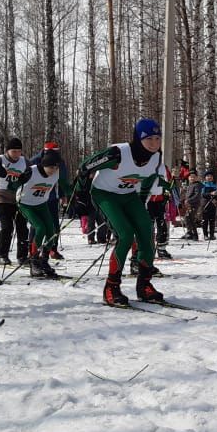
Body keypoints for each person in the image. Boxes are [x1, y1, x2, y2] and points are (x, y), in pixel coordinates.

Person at [78, 117, 169, 305]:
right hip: (105, 194)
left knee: (146, 231)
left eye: (157, 139)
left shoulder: (156, 157)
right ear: (138, 138)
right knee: (125, 234)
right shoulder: (118, 153)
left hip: (128, 195)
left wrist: (152, 199)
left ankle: (144, 286)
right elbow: (85, 167)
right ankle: (111, 287)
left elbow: (150, 178)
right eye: (149, 139)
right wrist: (81, 196)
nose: (154, 143)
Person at [13, 151, 72, 278]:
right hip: (25, 203)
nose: (53, 170)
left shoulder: (56, 173)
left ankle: (44, 260)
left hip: (41, 203)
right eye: (51, 167)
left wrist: (76, 193)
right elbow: (13, 185)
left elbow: (65, 186)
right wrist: (19, 180)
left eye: (56, 167)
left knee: (52, 231)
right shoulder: (32, 171)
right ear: (44, 165)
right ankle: (34, 260)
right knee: (40, 227)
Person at [0, 137, 30, 266]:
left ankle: (22, 256)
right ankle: (2, 254)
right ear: (7, 151)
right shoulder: (0, 159)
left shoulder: (24, 161)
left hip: (18, 196)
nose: (16, 154)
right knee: (7, 226)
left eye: (19, 151)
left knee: (22, 227)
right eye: (13, 151)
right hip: (1, 195)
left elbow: (30, 175)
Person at [30, 141, 69, 259]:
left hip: (52, 196)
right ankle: (32, 250)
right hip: (36, 196)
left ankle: (52, 249)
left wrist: (63, 195)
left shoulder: (60, 162)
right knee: (37, 225)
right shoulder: (35, 160)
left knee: (54, 225)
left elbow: (62, 179)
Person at [199, 170, 217, 240]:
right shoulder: (203, 185)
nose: (209, 177)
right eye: (208, 176)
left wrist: (216, 198)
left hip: (213, 205)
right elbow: (203, 194)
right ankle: (205, 235)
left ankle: (212, 234)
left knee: (212, 220)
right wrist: (211, 194)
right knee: (205, 221)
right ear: (205, 177)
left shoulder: (214, 185)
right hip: (205, 205)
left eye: (211, 176)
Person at [183, 172, 203, 240]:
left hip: (194, 204)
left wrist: (189, 200)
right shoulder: (190, 185)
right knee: (189, 218)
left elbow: (197, 196)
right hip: (189, 204)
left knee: (189, 218)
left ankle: (192, 233)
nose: (192, 178)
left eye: (194, 177)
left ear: (197, 177)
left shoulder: (197, 185)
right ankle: (192, 233)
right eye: (191, 177)